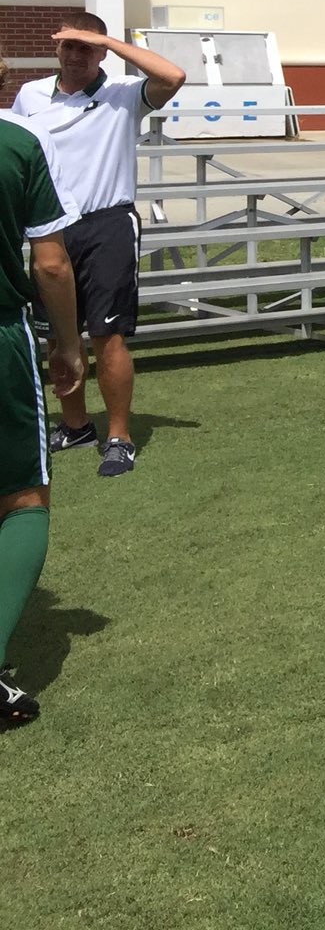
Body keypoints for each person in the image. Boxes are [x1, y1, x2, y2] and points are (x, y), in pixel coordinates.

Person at [11, 17, 186, 477]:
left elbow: (173, 77)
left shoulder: (124, 94)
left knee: (107, 335)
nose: (74, 55)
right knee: (56, 336)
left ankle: (118, 436)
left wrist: (107, 38)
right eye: (68, 46)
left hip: (108, 223)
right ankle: (75, 425)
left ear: (101, 53)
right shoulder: (29, 95)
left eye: (86, 48)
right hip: (51, 228)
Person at [0, 109, 83, 724]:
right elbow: (50, 262)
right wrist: (67, 341)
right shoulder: (19, 141)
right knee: (24, 499)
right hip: (0, 335)